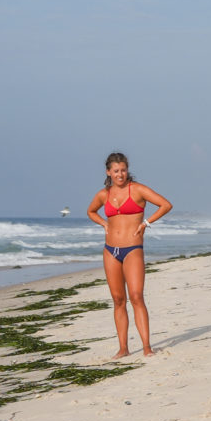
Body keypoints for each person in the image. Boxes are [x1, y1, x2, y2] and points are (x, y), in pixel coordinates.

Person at [86, 152, 170, 358]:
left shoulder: (138, 190)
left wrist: (146, 223)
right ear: (109, 172)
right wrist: (104, 223)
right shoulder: (103, 194)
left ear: (127, 170)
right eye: (116, 171)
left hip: (132, 249)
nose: (120, 174)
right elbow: (91, 211)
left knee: (136, 296)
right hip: (110, 250)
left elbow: (165, 205)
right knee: (117, 299)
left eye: (123, 170)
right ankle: (123, 348)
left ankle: (147, 347)